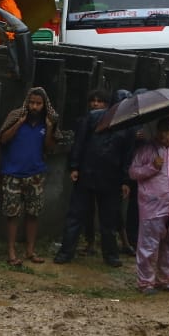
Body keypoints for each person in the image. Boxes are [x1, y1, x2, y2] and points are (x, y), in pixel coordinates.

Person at [54, 88, 124, 266]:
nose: (95, 104)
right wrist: (75, 166)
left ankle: (110, 255)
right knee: (76, 216)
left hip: (110, 177)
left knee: (107, 220)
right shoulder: (92, 118)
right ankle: (66, 252)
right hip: (88, 173)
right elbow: (79, 143)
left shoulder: (125, 124)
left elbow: (127, 154)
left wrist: (125, 180)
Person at [0, 87, 57, 265]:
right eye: (32, 102)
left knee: (33, 214)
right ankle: (11, 252)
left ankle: (30, 251)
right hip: (12, 174)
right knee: (12, 215)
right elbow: (3, 139)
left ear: (44, 105)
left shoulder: (47, 122)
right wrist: (19, 123)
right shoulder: (15, 117)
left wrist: (49, 130)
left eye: (38, 103)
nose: (34, 106)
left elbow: (50, 148)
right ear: (27, 102)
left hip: (35, 175)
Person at [129, 116, 169, 294]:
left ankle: (165, 280)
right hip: (152, 207)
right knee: (148, 245)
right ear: (157, 131)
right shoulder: (146, 151)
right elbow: (133, 172)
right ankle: (145, 283)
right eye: (163, 130)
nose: (166, 134)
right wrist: (152, 167)